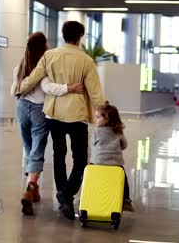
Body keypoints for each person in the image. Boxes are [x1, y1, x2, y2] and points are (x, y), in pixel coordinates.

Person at [18, 21, 105, 220]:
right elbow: (96, 93)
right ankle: (66, 194)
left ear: (63, 35)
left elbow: (34, 77)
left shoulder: (50, 56)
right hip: (77, 116)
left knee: (59, 156)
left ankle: (63, 195)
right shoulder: (86, 61)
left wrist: (21, 87)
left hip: (54, 115)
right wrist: (106, 113)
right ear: (80, 36)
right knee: (80, 159)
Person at [10, 32, 84, 216]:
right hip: (38, 111)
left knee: (28, 149)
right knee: (37, 151)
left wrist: (22, 89)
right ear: (43, 47)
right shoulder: (45, 63)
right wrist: (69, 88)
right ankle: (31, 185)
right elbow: (48, 87)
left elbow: (15, 89)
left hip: (21, 107)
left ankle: (34, 189)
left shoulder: (21, 65)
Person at [90, 102, 134, 212]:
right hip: (115, 164)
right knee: (124, 179)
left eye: (98, 117)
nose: (95, 120)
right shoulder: (118, 131)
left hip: (98, 163)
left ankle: (86, 197)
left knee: (88, 174)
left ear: (107, 119)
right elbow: (124, 145)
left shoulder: (96, 131)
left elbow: (93, 145)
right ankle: (126, 202)